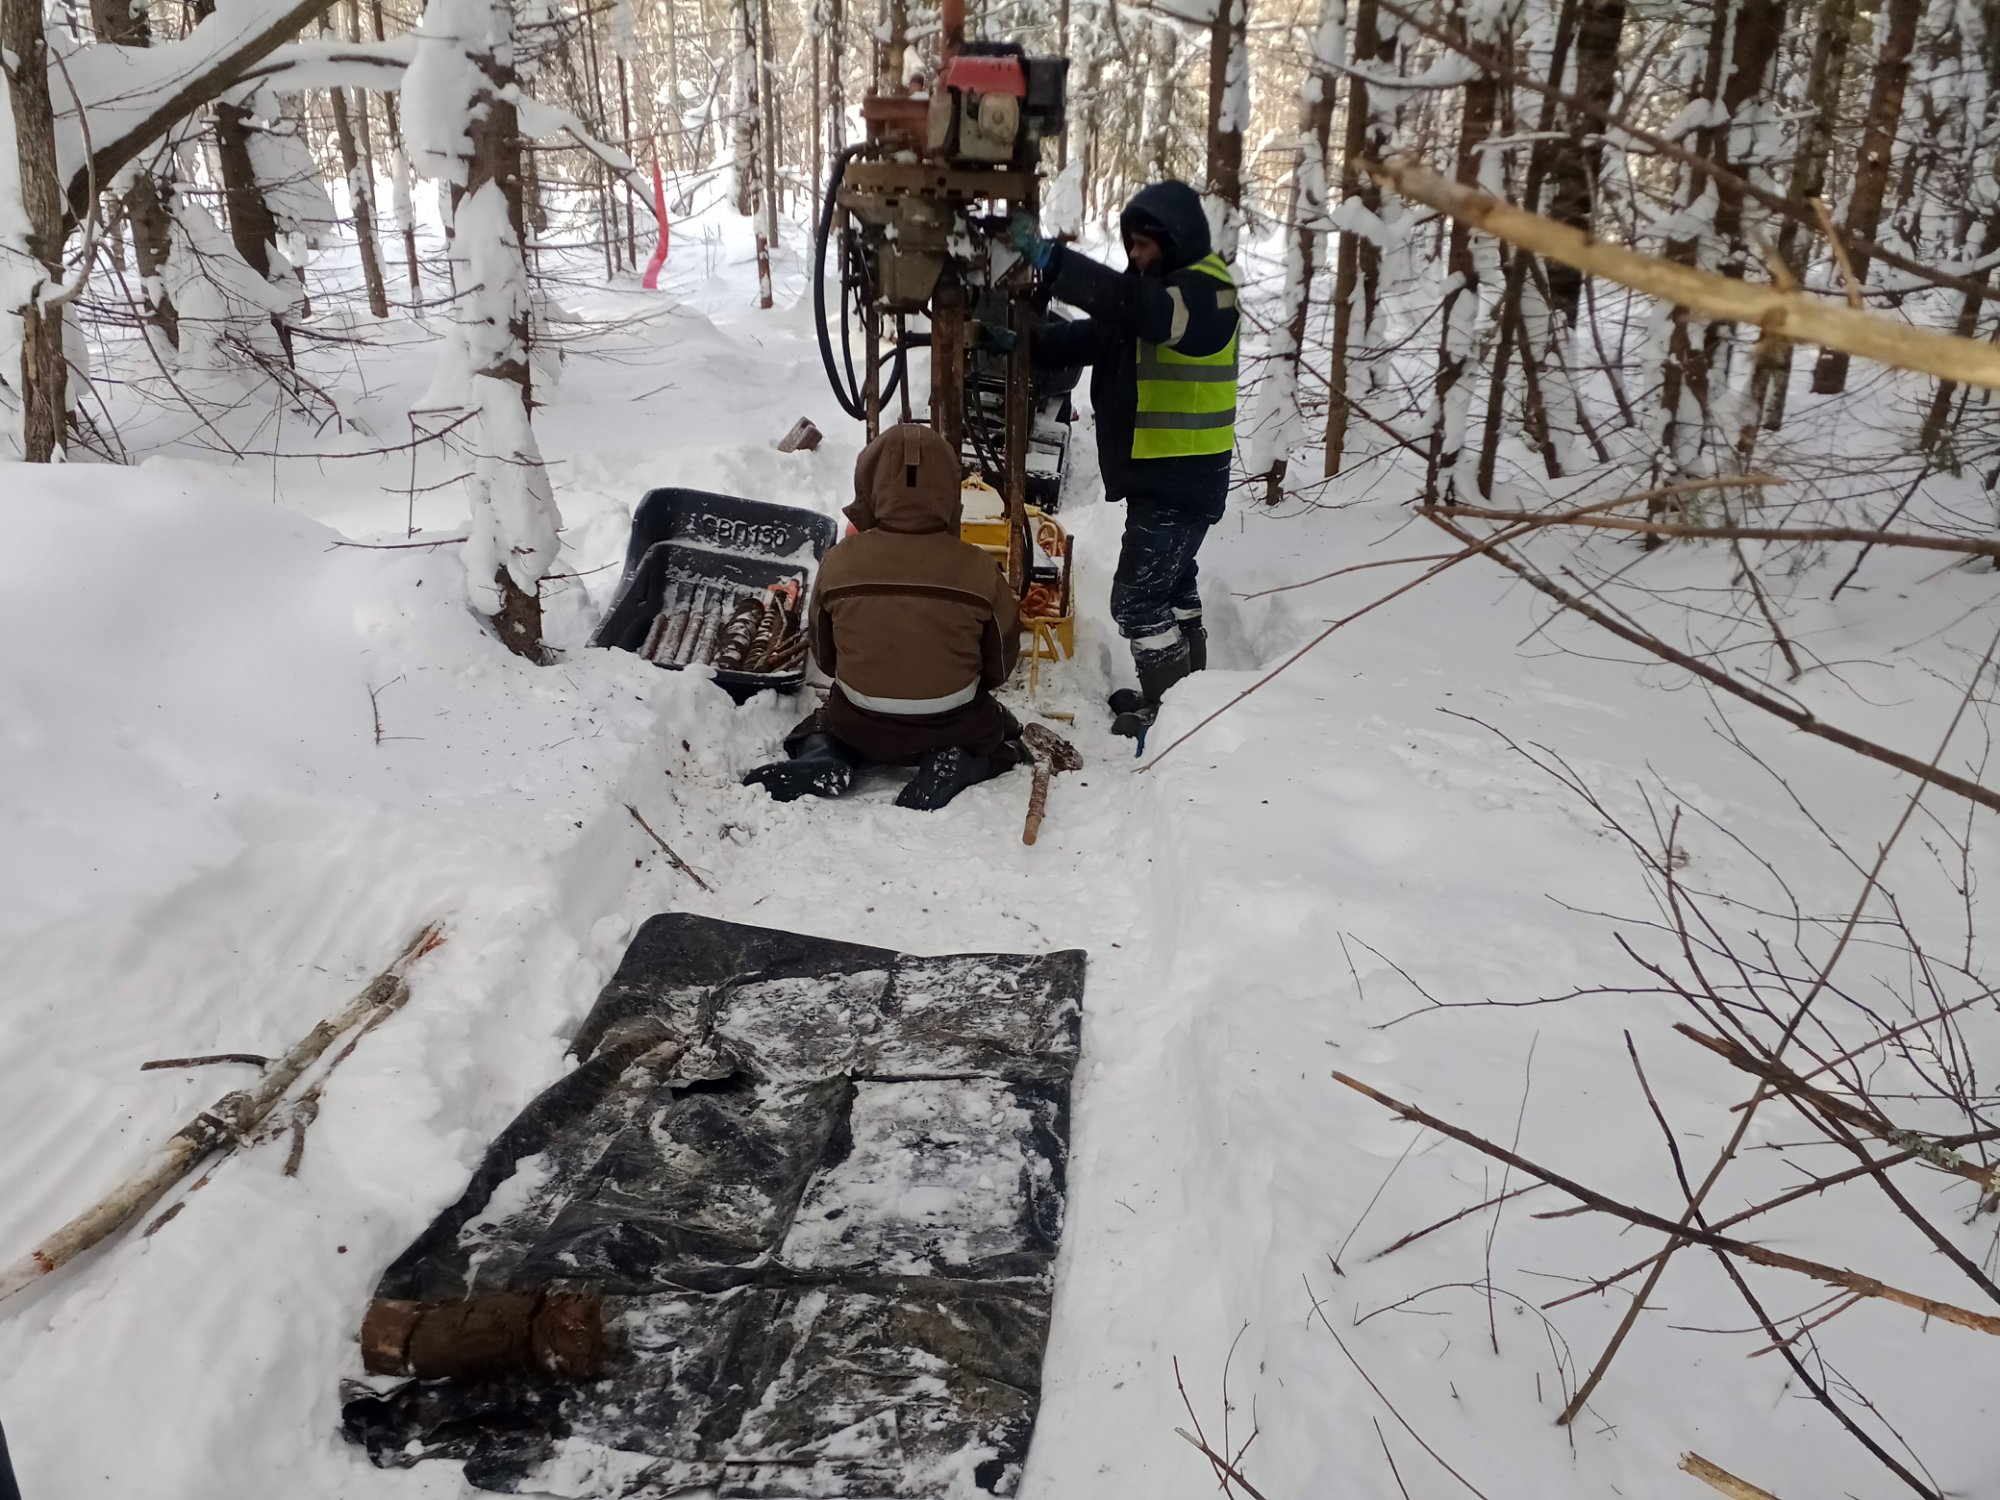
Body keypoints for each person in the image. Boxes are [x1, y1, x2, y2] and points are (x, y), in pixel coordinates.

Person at [1012, 179, 1239, 738]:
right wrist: (1019, 341)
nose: (1134, 255)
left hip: (1181, 480)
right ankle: (1187, 696)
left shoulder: (1207, 295)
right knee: (1173, 587)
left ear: (1175, 238)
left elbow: (1145, 312)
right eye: (1130, 245)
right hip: (1167, 477)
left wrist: (1053, 261)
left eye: (1143, 245)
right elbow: (1097, 337)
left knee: (1137, 601)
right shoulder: (1156, 293)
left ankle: (1171, 717)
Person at [742, 423, 1026, 811]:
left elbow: (825, 657)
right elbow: (1001, 665)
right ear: (949, 488)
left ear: (869, 484)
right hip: (951, 723)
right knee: (997, 735)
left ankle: (825, 756)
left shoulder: (838, 561)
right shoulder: (979, 569)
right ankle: (961, 761)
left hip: (861, 724)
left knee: (824, 725)